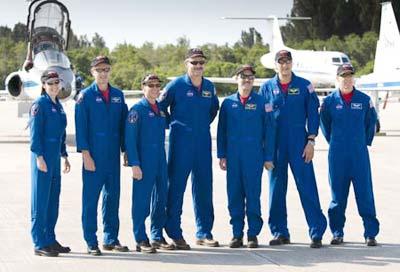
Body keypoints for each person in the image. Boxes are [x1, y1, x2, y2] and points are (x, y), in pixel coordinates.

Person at [259, 50, 327, 248]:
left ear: (292, 63)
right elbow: (263, 120)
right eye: (281, 62)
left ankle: (316, 232)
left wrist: (311, 140)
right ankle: (280, 232)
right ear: (275, 65)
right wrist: (265, 150)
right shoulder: (266, 88)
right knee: (276, 189)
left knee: (307, 187)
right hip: (276, 145)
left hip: (299, 143)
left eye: (287, 61)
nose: (284, 65)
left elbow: (313, 114)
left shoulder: (305, 86)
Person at [158, 48, 220, 249]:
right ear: (187, 63)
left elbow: (213, 110)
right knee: (176, 187)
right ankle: (174, 231)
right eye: (194, 63)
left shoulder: (209, 86)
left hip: (202, 141)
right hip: (180, 142)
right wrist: (174, 123)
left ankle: (204, 232)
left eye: (201, 62)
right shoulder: (176, 85)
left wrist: (200, 125)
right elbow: (159, 107)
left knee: (204, 187)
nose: (198, 66)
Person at [320, 64, 379, 246]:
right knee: (337, 196)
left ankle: (370, 233)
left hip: (359, 155)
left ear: (354, 78)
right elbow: (325, 125)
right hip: (337, 155)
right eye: (343, 76)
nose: (347, 80)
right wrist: (336, 142)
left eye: (349, 76)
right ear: (337, 79)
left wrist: (363, 142)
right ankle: (337, 233)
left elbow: (371, 123)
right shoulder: (329, 102)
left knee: (365, 194)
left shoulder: (364, 100)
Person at [75, 55, 129, 255]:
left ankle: (111, 238)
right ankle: (91, 240)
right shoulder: (85, 96)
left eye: (106, 69)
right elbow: (81, 128)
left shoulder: (118, 95)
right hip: (94, 156)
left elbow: (124, 125)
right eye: (99, 70)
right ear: (92, 72)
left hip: (112, 155)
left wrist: (126, 151)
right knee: (91, 199)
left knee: (112, 197)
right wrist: (85, 155)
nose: (103, 73)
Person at [217, 65, 275, 248]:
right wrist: (222, 154)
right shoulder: (227, 103)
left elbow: (269, 131)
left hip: (254, 156)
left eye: (251, 77)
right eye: (244, 76)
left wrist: (268, 157)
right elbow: (221, 131)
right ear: (236, 78)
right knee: (234, 195)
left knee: (252, 195)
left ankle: (252, 234)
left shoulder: (262, 102)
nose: (247, 80)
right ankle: (236, 234)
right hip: (233, 157)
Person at [125, 74, 175, 253]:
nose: (154, 88)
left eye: (157, 85)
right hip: (143, 161)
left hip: (160, 159)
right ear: (143, 87)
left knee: (161, 198)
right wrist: (135, 164)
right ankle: (140, 238)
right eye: (150, 85)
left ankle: (157, 235)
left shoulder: (160, 110)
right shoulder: (136, 110)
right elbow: (130, 140)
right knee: (141, 201)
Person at [29, 69, 71, 257]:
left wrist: (64, 155)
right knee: (41, 201)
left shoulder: (58, 105)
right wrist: (39, 157)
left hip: (55, 157)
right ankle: (39, 242)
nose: (54, 86)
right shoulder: (40, 105)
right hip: (43, 157)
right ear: (44, 85)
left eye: (56, 83)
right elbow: (35, 134)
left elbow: (61, 133)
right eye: (50, 83)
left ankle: (50, 238)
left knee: (53, 200)